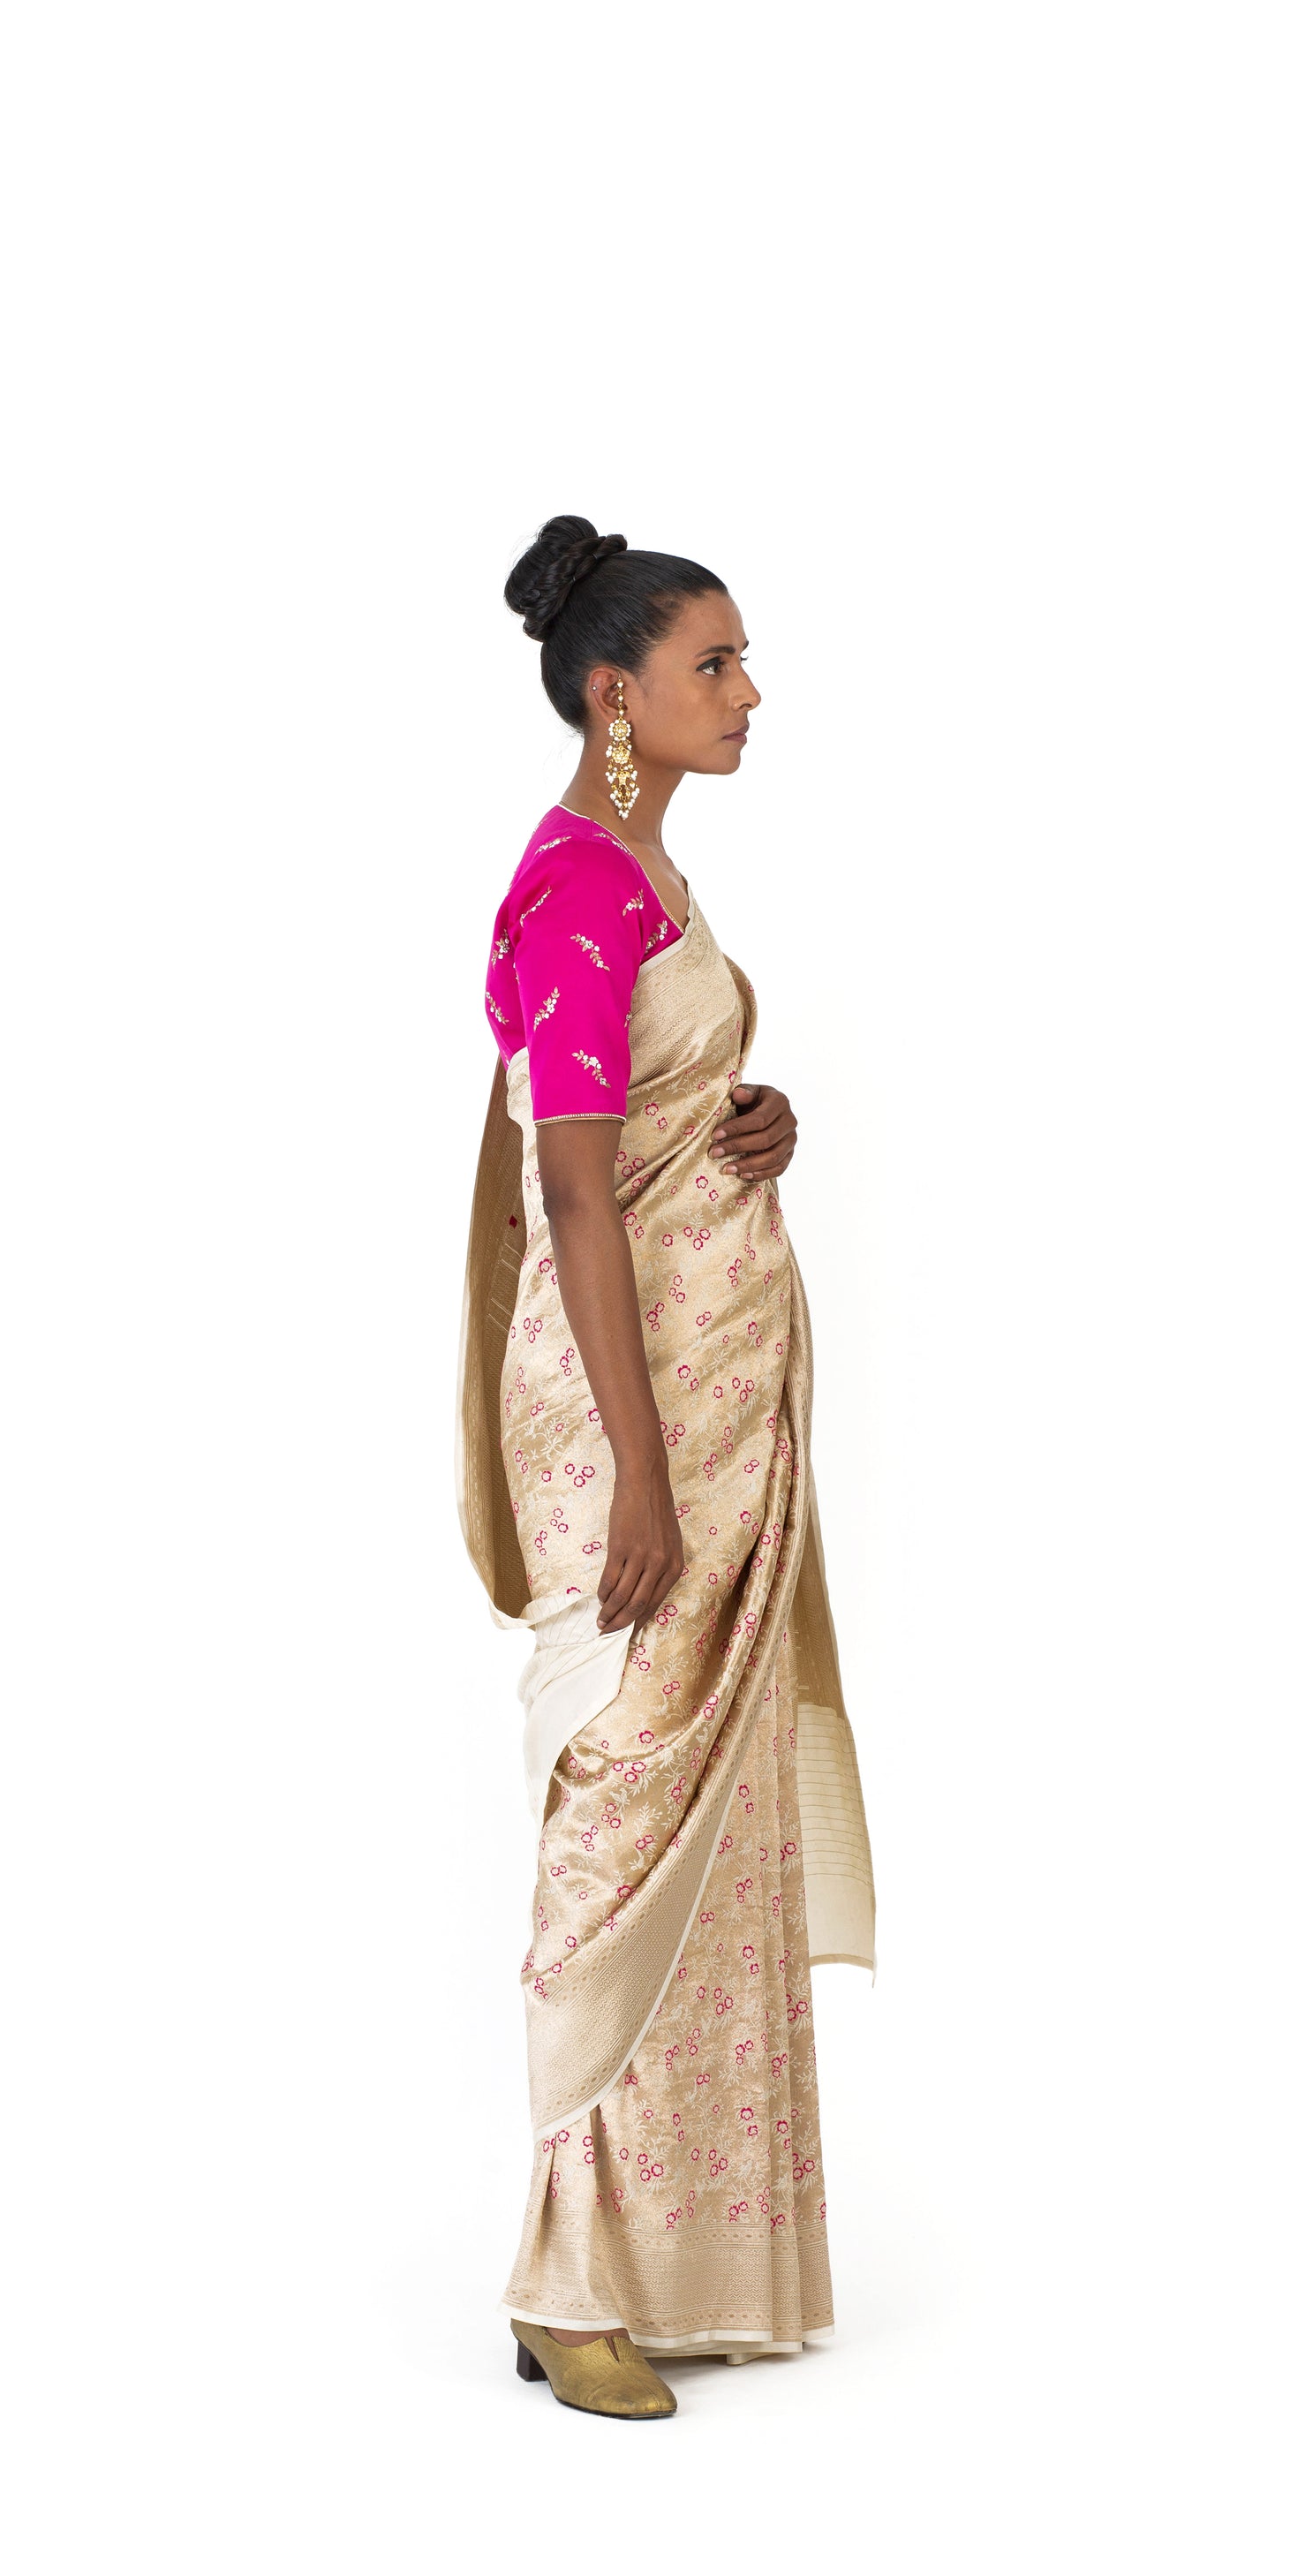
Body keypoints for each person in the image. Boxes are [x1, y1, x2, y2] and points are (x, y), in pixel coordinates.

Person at [456, 516, 875, 2420]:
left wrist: (746, 1114)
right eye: (717, 663)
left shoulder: (647, 876)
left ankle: (670, 2255)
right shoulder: (572, 887)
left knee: (699, 1818)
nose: (751, 691)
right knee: (619, 1802)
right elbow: (567, 1191)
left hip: (712, 1397)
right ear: (616, 695)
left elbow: (637, 1118)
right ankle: (563, 2278)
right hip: (629, 1422)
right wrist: (634, 1470)